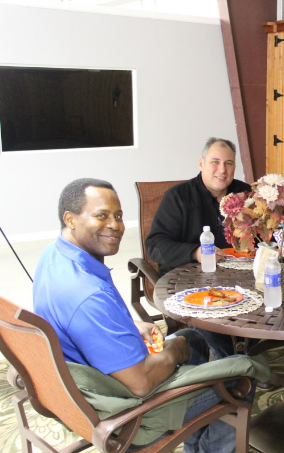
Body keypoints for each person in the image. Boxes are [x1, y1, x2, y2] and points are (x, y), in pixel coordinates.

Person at [33, 178, 256, 453]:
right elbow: (140, 384)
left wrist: (131, 325)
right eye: (101, 215)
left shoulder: (55, 258)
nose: (115, 225)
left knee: (194, 338)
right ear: (70, 219)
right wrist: (176, 352)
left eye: (118, 216)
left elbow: (83, 325)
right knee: (241, 370)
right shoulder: (86, 295)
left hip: (87, 387)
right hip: (128, 412)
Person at [146, 137, 251, 277]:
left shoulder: (245, 194)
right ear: (201, 164)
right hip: (187, 277)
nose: (222, 170)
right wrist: (195, 253)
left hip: (239, 275)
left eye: (229, 163)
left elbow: (265, 238)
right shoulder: (178, 196)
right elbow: (155, 245)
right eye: (215, 162)